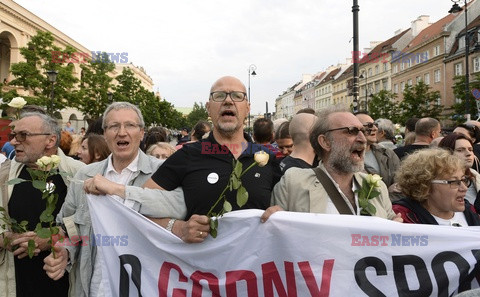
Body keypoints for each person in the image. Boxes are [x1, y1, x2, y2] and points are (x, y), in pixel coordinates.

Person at [43, 102, 186, 297]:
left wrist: (119, 190)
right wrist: (65, 252)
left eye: (130, 125)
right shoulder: (85, 174)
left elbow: (179, 207)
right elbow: (68, 227)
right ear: (104, 134)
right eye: (113, 126)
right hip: (94, 288)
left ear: (142, 133)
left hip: (143, 287)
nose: (121, 132)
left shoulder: (161, 170)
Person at [144, 76, 280, 242]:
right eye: (219, 95)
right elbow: (139, 207)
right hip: (199, 266)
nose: (228, 101)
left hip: (255, 265)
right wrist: (178, 227)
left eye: (237, 96)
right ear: (208, 108)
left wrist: (282, 215)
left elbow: (292, 213)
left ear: (247, 108)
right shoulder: (188, 155)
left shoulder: (268, 158)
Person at [0, 112, 85, 297]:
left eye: (23, 135)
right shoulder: (4, 175)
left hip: (64, 285)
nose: (14, 142)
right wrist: (8, 238)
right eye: (13, 136)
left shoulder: (78, 175)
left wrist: (51, 240)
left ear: (50, 140)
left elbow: (91, 229)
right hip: (16, 284)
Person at [265, 105, 400, 220]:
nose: (362, 139)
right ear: (325, 142)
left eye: (363, 131)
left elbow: (389, 233)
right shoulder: (293, 183)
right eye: (351, 131)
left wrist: (395, 229)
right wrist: (273, 220)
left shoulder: (377, 187)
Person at [392, 148, 480, 226]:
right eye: (454, 182)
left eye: (463, 180)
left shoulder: (471, 211)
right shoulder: (404, 218)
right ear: (426, 186)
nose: (464, 188)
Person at [355, 113, 400, 187]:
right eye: (369, 125)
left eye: (376, 125)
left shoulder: (388, 154)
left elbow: (399, 185)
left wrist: (385, 195)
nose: (375, 129)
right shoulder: (347, 156)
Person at [438, 133, 480, 208]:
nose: (468, 154)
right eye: (460, 150)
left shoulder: (475, 175)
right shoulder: (439, 180)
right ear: (446, 153)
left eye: (470, 150)